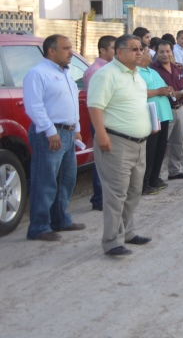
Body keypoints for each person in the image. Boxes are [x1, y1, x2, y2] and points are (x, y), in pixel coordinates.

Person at [88, 34, 153, 257]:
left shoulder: (137, 76)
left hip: (139, 143)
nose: (140, 53)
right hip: (115, 142)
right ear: (119, 52)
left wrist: (149, 124)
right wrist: (101, 135)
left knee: (134, 190)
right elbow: (95, 107)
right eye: (134, 49)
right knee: (116, 193)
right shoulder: (106, 75)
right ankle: (112, 241)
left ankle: (128, 232)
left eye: (141, 49)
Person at [23, 35, 84, 241]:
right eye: (66, 48)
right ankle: (39, 227)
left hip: (67, 132)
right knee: (45, 180)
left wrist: (76, 128)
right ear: (51, 51)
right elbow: (34, 106)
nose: (71, 52)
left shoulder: (65, 74)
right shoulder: (38, 74)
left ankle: (60, 220)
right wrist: (50, 131)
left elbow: (72, 103)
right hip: (49, 134)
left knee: (67, 179)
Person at [83, 35, 116, 211]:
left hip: (112, 122)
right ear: (102, 50)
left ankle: (106, 196)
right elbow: (95, 102)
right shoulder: (96, 70)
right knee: (101, 162)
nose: (116, 51)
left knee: (109, 162)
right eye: (112, 48)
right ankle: (99, 198)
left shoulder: (112, 69)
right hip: (101, 122)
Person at [136, 46, 173, 195]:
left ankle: (154, 178)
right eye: (147, 52)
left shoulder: (152, 71)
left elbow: (162, 87)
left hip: (163, 115)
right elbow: (137, 93)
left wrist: (167, 89)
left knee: (160, 149)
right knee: (149, 151)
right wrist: (158, 92)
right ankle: (144, 184)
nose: (150, 54)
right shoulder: (136, 72)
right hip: (150, 116)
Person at [153, 40, 183, 182]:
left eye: (168, 51)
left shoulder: (177, 68)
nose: (165, 54)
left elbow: (182, 86)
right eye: (161, 52)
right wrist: (175, 93)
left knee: (178, 142)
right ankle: (155, 175)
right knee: (161, 145)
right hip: (164, 111)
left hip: (179, 108)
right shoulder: (153, 70)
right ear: (156, 53)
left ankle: (175, 171)